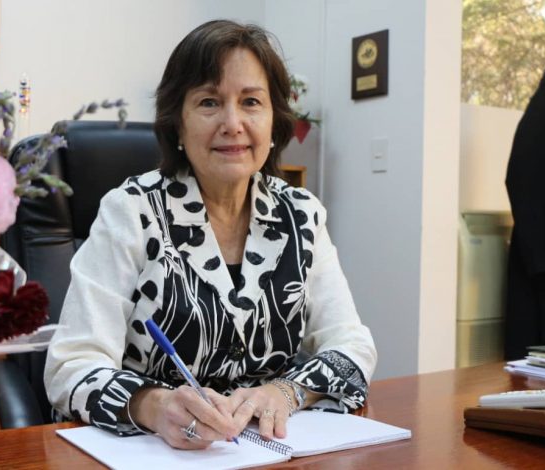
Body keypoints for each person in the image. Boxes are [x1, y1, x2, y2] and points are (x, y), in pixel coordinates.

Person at [44, 19, 377, 450]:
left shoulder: (301, 215)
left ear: (274, 121)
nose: (233, 123)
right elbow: (71, 365)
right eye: (209, 102)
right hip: (152, 452)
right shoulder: (132, 210)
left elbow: (353, 344)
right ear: (177, 125)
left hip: (270, 448)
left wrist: (286, 392)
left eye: (251, 102)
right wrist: (154, 406)